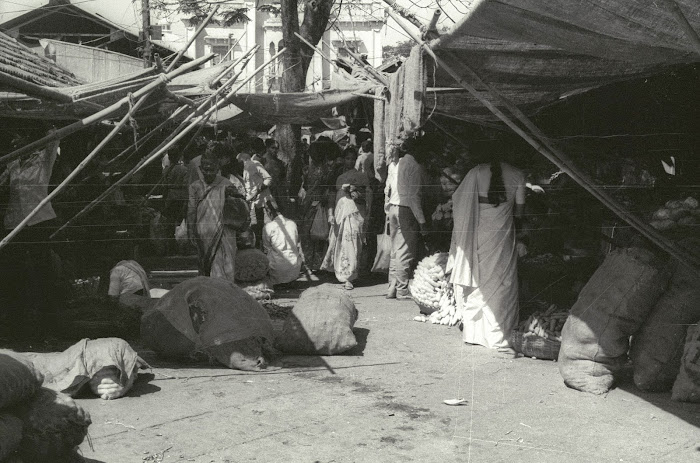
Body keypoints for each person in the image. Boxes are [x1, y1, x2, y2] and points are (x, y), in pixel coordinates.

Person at [447, 155, 526, 352]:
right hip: (502, 233)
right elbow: (520, 212)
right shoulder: (518, 175)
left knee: (478, 279)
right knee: (502, 281)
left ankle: (474, 333)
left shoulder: (476, 172)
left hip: (479, 232)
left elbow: (459, 198)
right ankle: (498, 334)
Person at [384, 138, 429, 300]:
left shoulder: (398, 164)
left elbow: (388, 189)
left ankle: (392, 287)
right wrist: (422, 222)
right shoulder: (414, 166)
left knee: (396, 250)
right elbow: (414, 198)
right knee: (405, 251)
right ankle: (402, 290)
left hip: (394, 208)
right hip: (406, 209)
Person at [187, 147, 237, 280]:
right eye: (205, 169)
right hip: (203, 234)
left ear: (217, 168)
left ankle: (223, 292)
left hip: (223, 234)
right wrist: (191, 231)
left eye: (212, 169)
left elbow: (237, 209)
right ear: (200, 168)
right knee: (206, 266)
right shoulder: (195, 187)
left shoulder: (227, 185)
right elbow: (191, 211)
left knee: (223, 266)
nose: (208, 173)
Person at [321, 147, 368, 289]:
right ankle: (341, 272)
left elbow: (366, 196)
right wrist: (330, 213)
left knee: (353, 243)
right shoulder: (337, 176)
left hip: (355, 213)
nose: (350, 161)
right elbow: (332, 195)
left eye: (353, 159)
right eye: (347, 158)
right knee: (339, 243)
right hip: (340, 212)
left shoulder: (361, 176)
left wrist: (353, 191)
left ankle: (350, 276)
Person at [299, 141, 333, 271]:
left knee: (308, 234)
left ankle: (308, 262)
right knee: (319, 233)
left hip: (311, 203)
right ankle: (317, 263)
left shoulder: (309, 169)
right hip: (319, 203)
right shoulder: (327, 169)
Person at [236, 141, 273, 248]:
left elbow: (268, 179)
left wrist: (260, 189)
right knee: (253, 226)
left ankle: (263, 246)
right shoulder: (242, 170)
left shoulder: (254, 165)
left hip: (262, 201)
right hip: (251, 202)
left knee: (263, 226)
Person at [262, 200, 303, 286]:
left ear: (269, 211)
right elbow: (297, 242)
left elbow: (266, 248)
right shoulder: (292, 223)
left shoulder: (268, 227)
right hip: (294, 269)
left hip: (277, 270)